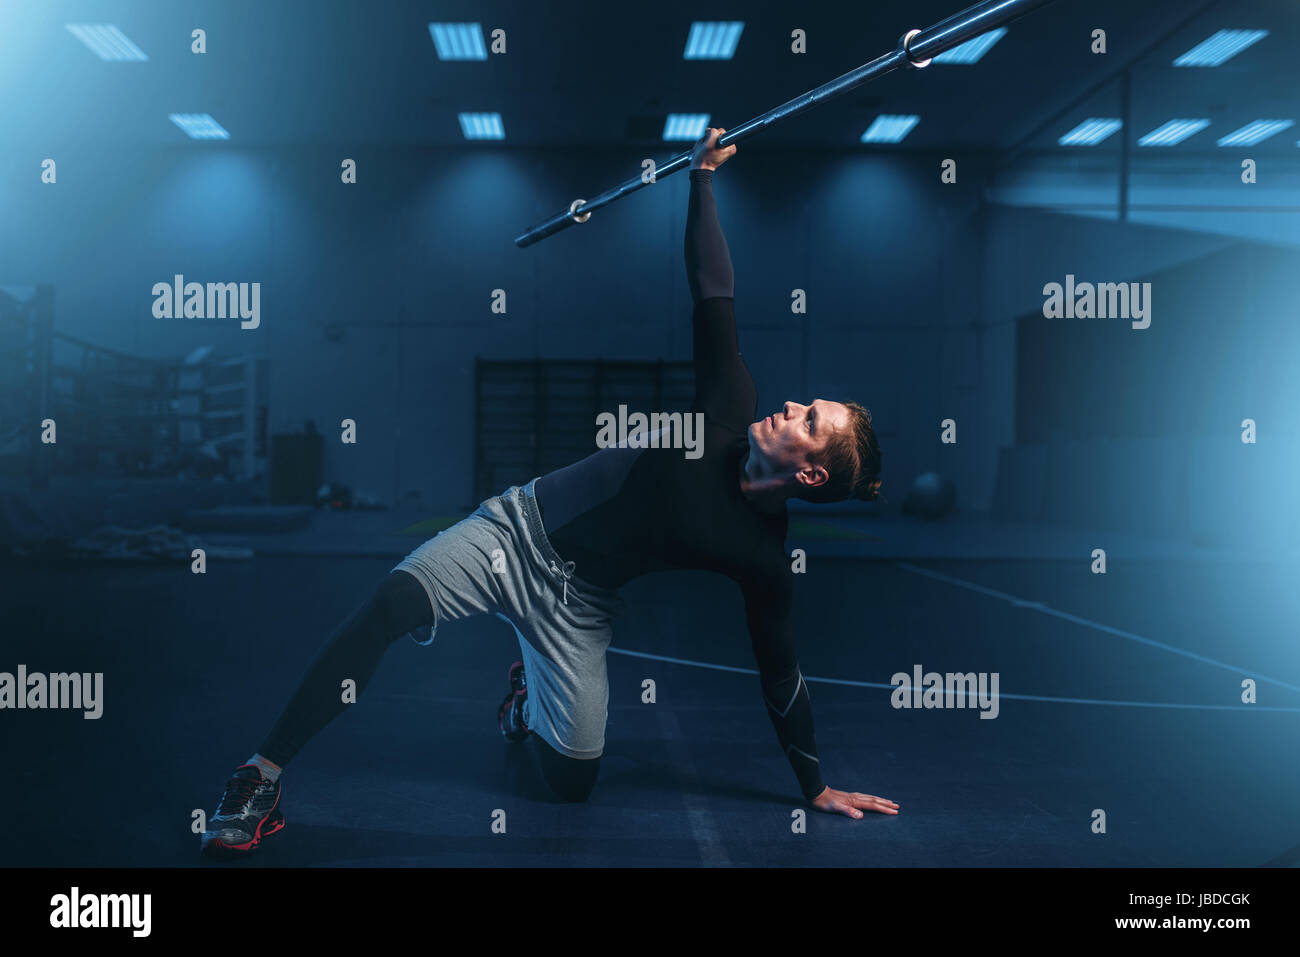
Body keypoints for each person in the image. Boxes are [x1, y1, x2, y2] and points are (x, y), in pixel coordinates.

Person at [200, 128, 896, 858]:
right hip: (514, 533)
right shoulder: (729, 404)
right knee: (394, 602)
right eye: (805, 404)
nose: (791, 407)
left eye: (810, 421)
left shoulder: (761, 556)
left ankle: (526, 696)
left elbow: (781, 674)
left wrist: (813, 783)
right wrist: (701, 181)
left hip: (580, 608)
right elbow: (711, 286)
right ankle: (262, 774)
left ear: (811, 472)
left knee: (569, 783)